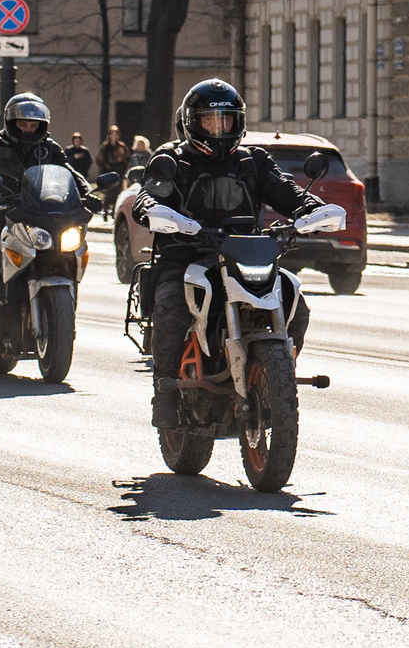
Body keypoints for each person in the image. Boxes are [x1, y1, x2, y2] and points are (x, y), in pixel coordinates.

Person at [138, 80, 324, 427]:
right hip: (187, 255)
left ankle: (275, 376)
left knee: (295, 304)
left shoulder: (251, 161)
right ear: (191, 122)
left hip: (245, 252)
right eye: (210, 120)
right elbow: (150, 196)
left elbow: (284, 190)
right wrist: (155, 210)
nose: (219, 128)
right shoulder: (172, 159)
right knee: (171, 306)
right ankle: (164, 392)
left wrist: (311, 209)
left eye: (227, 120)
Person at [0, 93, 80, 337]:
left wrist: (87, 194)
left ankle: (61, 315)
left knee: (69, 249)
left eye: (33, 125)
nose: (28, 129)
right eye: (22, 124)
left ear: (41, 126)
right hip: (4, 214)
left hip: (42, 214)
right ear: (11, 123)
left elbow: (70, 175)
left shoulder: (50, 148)